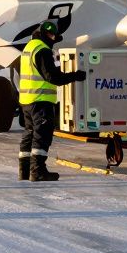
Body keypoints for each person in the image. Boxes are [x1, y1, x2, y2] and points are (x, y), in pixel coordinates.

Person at [18, 21, 85, 181]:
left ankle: (24, 171)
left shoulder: (29, 47)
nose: (52, 38)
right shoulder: (43, 50)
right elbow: (52, 77)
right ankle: (38, 171)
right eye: (50, 34)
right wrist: (75, 75)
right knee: (42, 135)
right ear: (43, 34)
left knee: (29, 133)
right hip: (41, 100)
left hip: (27, 100)